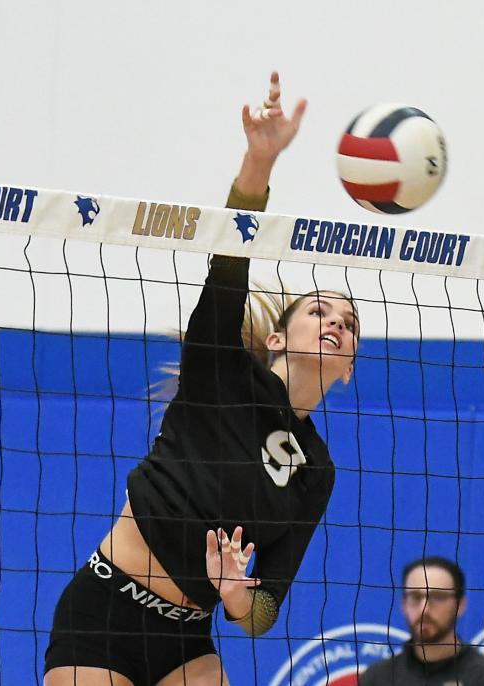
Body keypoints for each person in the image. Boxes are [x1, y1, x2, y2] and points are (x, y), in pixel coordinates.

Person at [44, 72, 360, 686]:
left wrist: (239, 596)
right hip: (104, 609)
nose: (336, 324)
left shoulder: (317, 470)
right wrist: (259, 162)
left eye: (349, 326)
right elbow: (229, 259)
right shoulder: (221, 372)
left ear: (347, 370)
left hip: (188, 637)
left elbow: (266, 607)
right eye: (319, 311)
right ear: (276, 339)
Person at [359, 557, 484, 686]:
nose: (423, 609)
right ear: (403, 604)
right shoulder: (377, 677)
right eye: (415, 597)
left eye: (437, 597)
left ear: (460, 605)